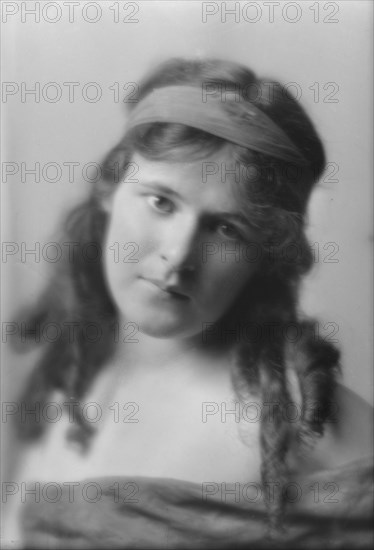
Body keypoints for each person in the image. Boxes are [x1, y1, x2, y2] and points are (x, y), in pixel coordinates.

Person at [5, 58, 373, 548]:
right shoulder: (65, 370)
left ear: (264, 254)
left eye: (226, 227)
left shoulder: (297, 419)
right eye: (161, 202)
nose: (177, 257)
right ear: (110, 187)